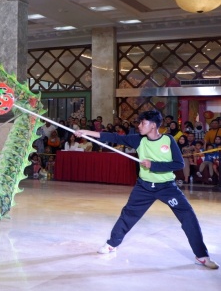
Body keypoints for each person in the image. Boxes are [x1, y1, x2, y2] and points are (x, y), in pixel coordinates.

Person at [74, 110, 218, 269]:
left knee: (188, 216)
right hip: (144, 187)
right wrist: (85, 132)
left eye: (143, 123)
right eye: (139, 122)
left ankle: (202, 256)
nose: (139, 125)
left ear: (154, 125)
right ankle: (112, 244)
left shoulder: (168, 140)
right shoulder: (138, 140)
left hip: (167, 187)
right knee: (128, 214)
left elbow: (179, 164)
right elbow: (114, 137)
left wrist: (153, 165)